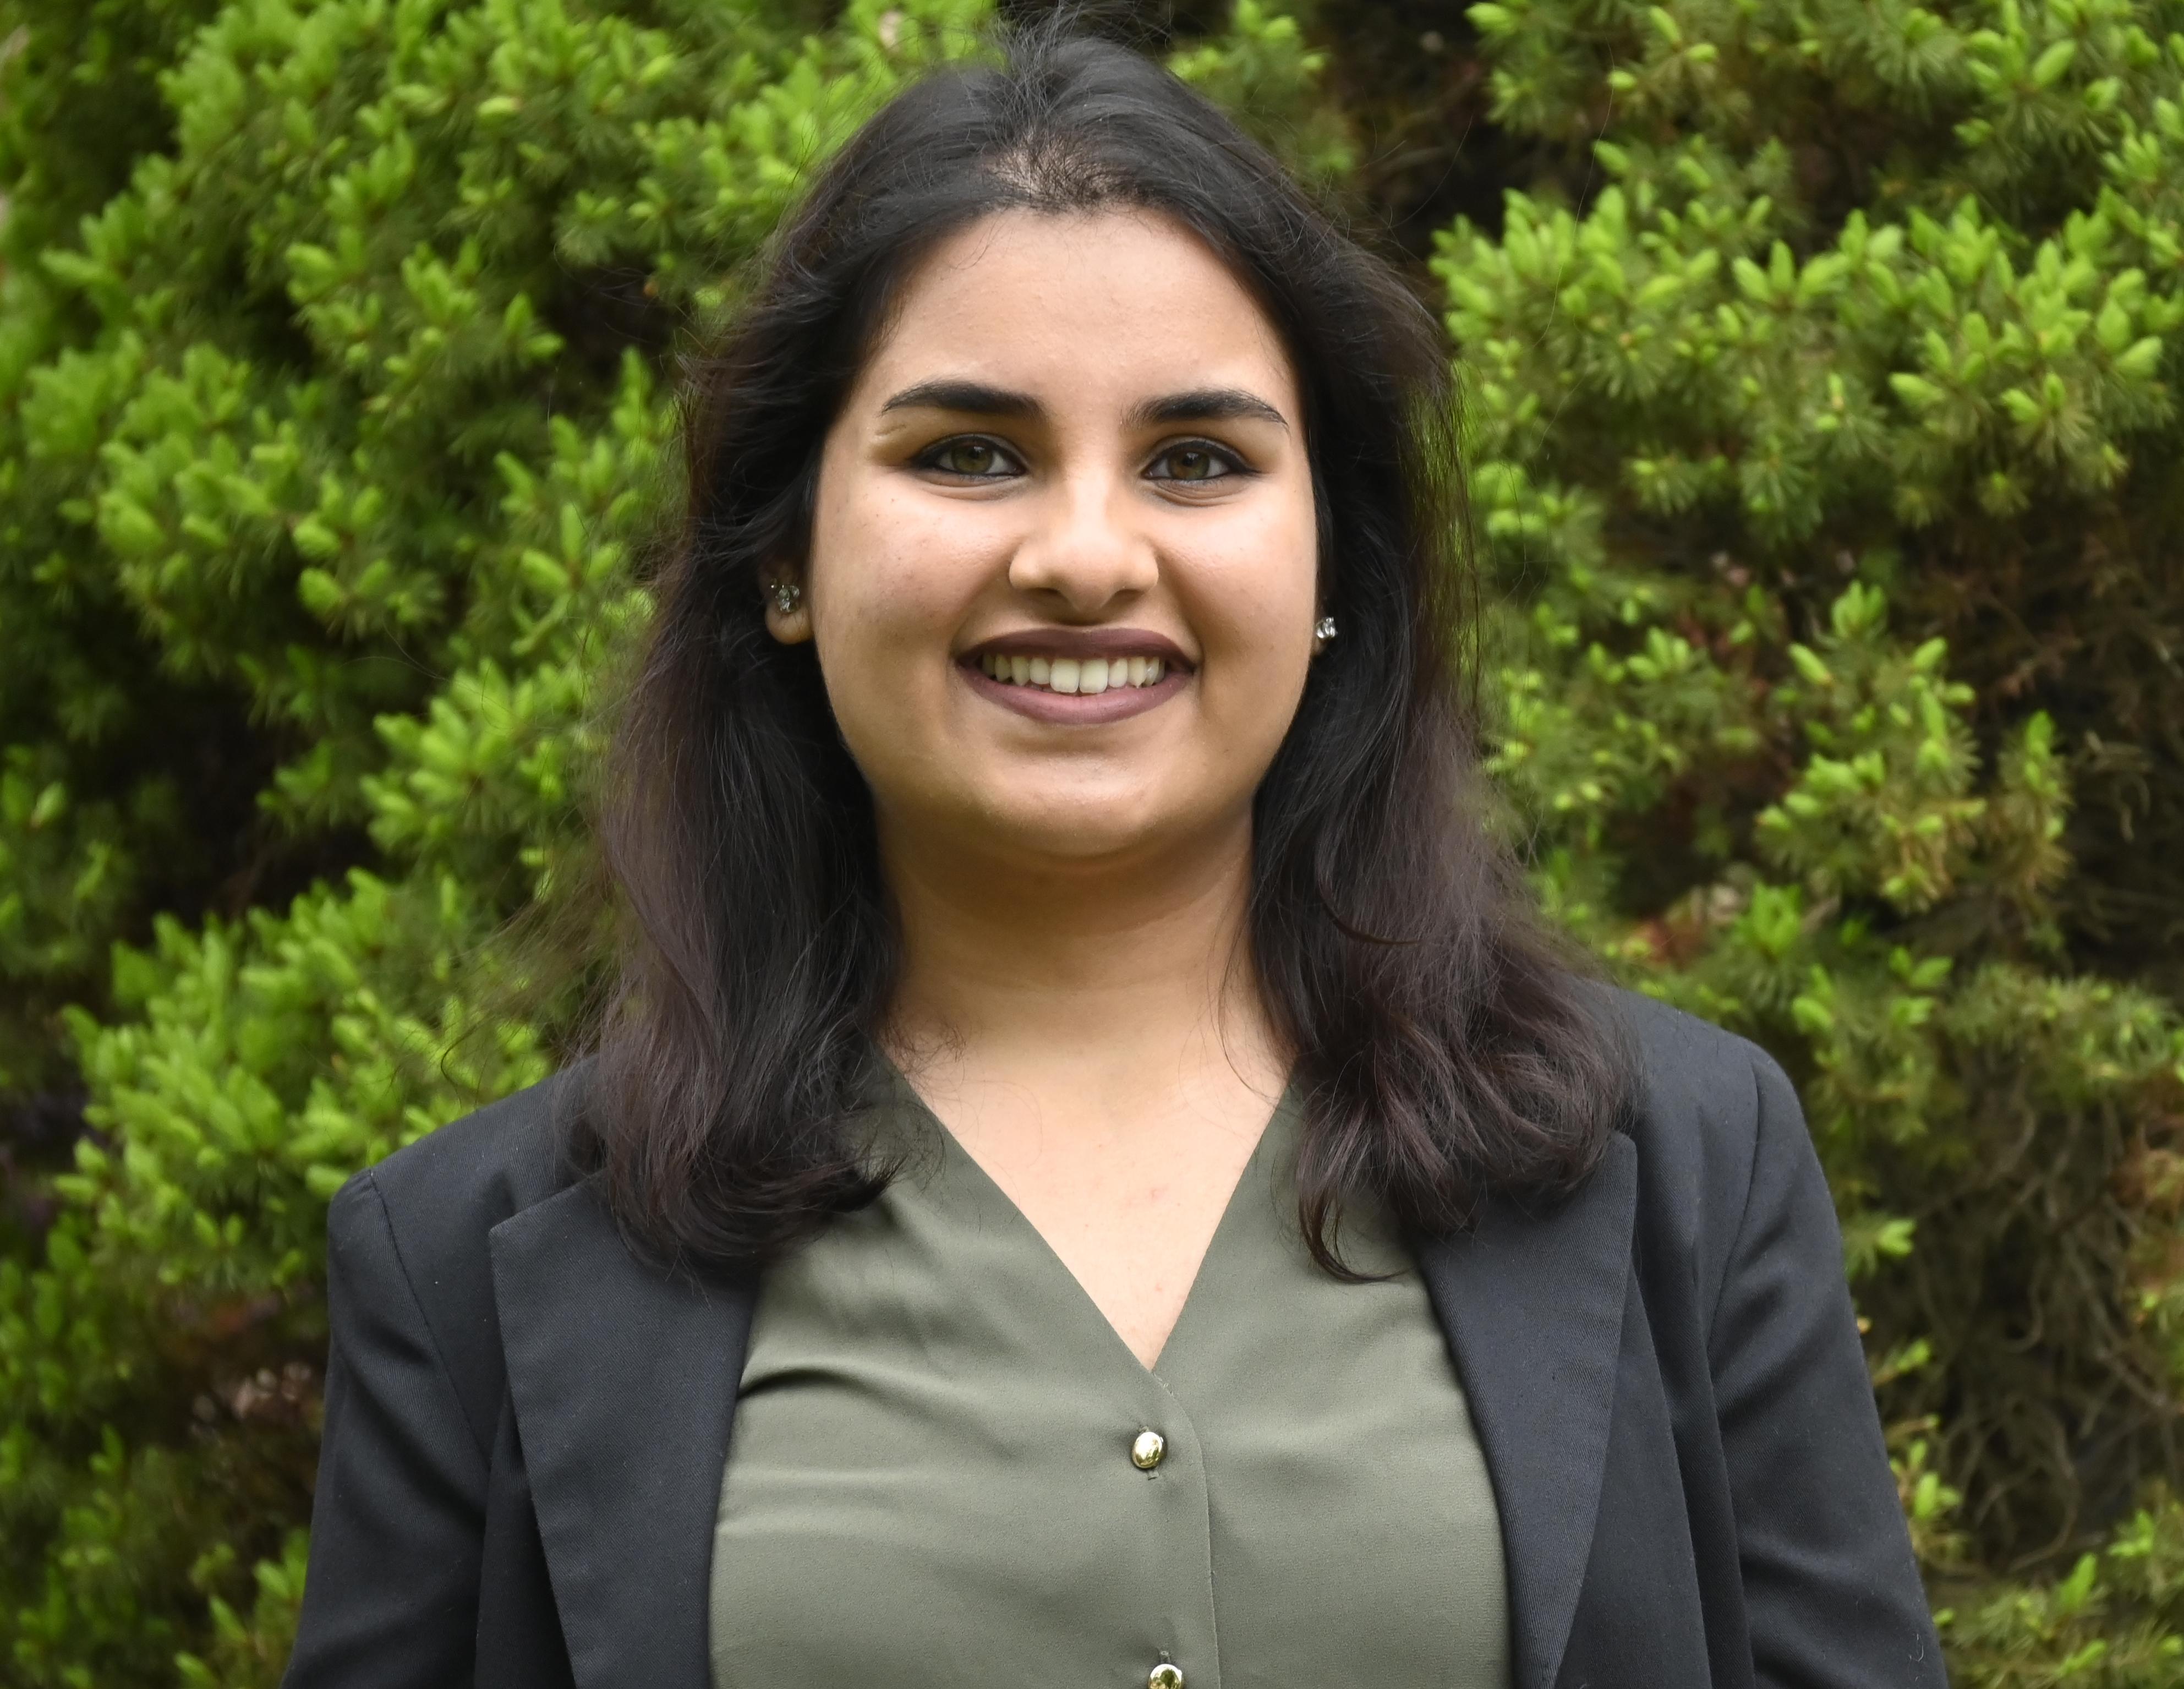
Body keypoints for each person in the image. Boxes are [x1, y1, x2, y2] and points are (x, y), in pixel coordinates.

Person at [280, 17, 1946, 1689]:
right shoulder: (464, 1266)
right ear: (782, 558)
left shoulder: (1684, 1163)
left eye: (1196, 461)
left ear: (1326, 571)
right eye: (969, 455)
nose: (1085, 556)